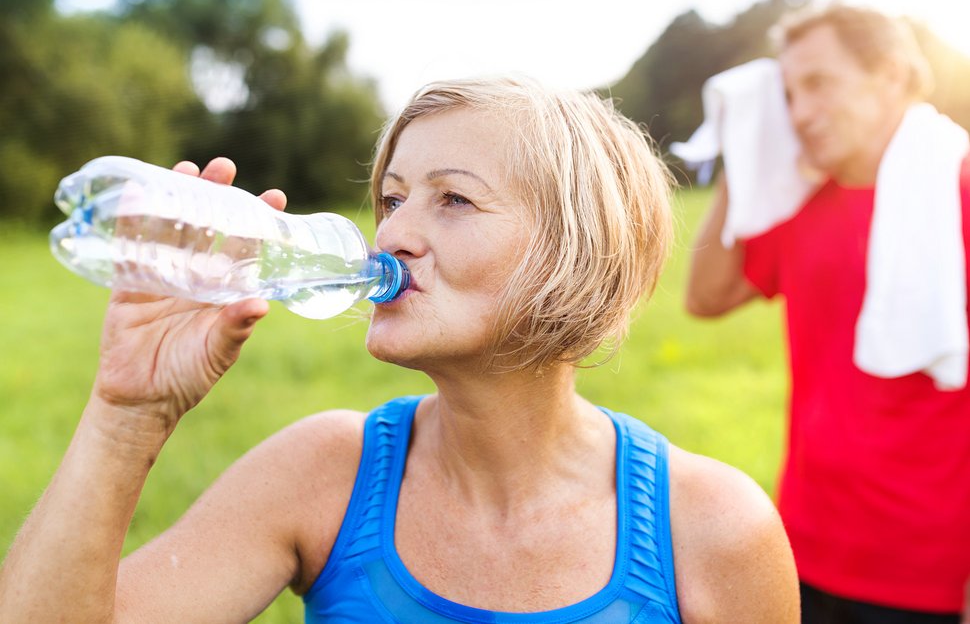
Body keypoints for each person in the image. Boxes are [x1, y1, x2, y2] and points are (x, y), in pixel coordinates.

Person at [0, 76, 799, 623]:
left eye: (452, 199)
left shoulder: (713, 529)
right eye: (391, 198)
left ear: (576, 251)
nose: (394, 233)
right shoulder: (324, 473)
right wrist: (125, 415)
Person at [685, 4, 970, 623]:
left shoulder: (960, 191)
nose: (800, 114)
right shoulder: (801, 200)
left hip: (931, 573)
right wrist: (747, 159)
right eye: (787, 94)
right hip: (803, 547)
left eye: (819, 84)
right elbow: (704, 298)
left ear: (891, 75)